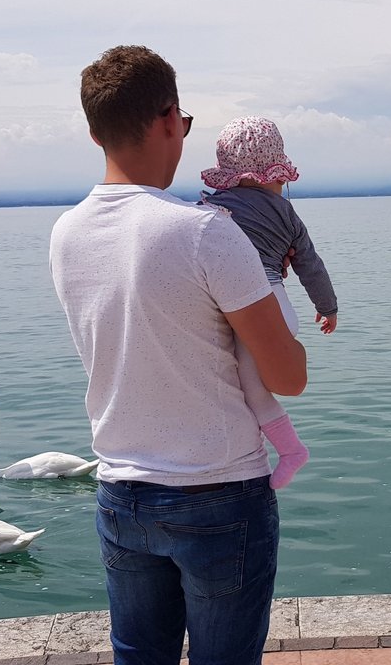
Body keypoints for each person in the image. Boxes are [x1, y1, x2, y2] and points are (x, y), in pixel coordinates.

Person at [49, 45, 307, 665]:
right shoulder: (206, 231)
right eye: (185, 125)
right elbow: (288, 376)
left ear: (94, 133)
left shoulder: (67, 233)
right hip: (219, 492)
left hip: (121, 492)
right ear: (170, 119)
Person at [199, 116, 337, 490]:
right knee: (252, 385)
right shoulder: (287, 213)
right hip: (277, 305)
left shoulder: (208, 210)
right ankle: (284, 448)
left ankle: (290, 449)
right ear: (275, 172)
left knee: (249, 387)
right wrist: (328, 308)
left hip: (251, 306)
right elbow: (310, 263)